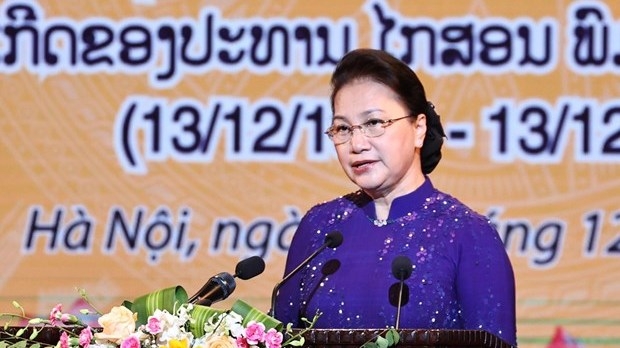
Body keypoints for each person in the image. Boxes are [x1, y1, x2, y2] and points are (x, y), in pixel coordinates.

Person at [272, 48, 517, 346]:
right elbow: (280, 338)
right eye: (343, 128)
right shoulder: (319, 228)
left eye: (374, 123)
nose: (357, 143)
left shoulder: (468, 233)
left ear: (418, 128)